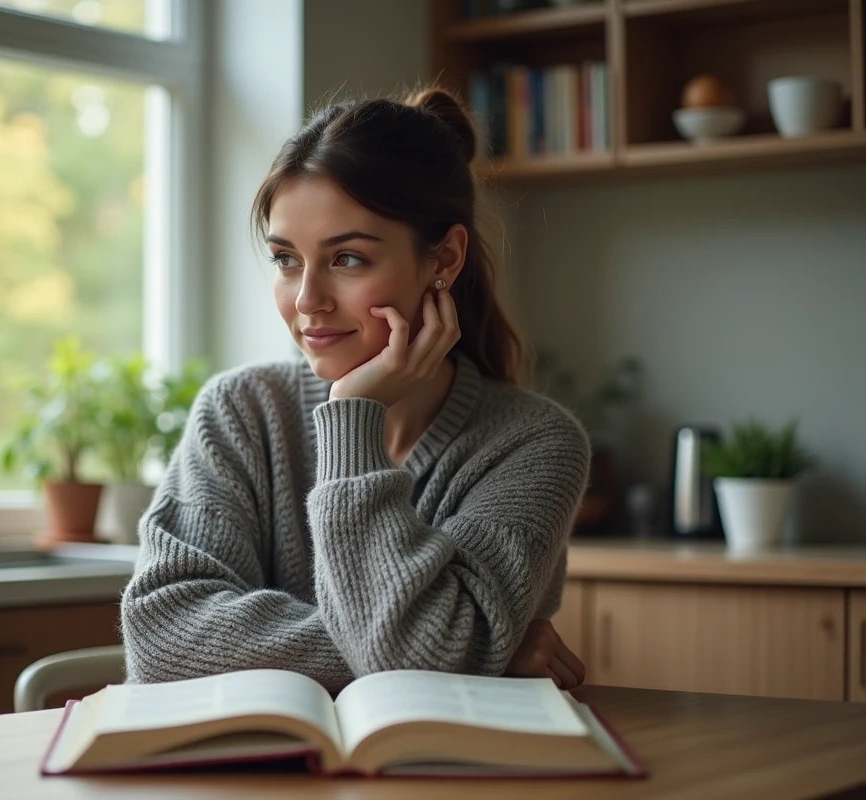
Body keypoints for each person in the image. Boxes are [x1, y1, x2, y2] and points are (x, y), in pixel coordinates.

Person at [119, 87, 590, 694]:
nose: (308, 300)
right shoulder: (239, 411)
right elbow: (161, 636)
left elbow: (425, 660)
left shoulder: (534, 444)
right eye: (286, 260)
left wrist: (352, 417)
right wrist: (470, 651)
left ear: (443, 259)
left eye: (346, 259)